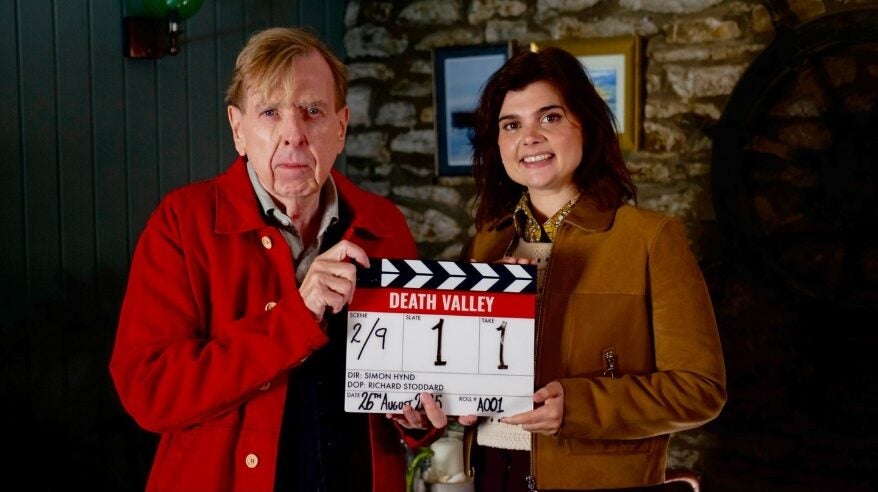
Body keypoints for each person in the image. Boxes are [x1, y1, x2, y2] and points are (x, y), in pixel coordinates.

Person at [109, 27, 446, 492]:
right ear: (238, 128)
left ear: (342, 127)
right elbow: (150, 393)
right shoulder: (181, 224)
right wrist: (295, 316)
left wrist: (413, 419)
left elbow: (411, 399)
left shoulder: (384, 225)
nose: (294, 136)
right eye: (270, 112)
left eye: (313, 111)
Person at [457, 47, 727, 491]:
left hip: (598, 481)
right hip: (491, 473)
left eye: (550, 117)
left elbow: (700, 389)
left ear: (586, 125)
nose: (530, 137)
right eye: (511, 125)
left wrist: (580, 406)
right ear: (497, 144)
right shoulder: (483, 244)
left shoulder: (650, 239)